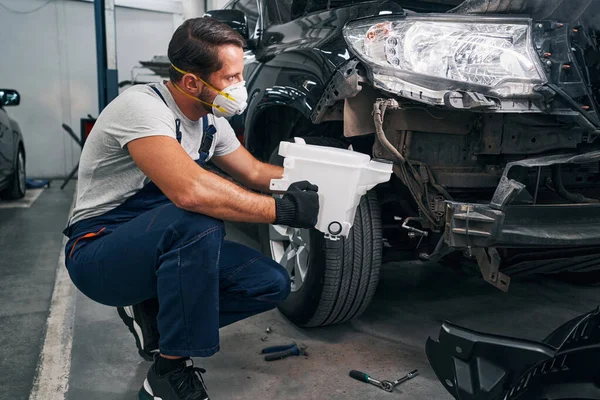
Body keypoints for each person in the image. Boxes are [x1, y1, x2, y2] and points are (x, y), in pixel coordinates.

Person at [62, 17, 319, 400]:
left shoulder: (211, 121)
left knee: (270, 283)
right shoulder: (143, 109)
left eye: (240, 75)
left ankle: (153, 315)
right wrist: (283, 211)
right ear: (191, 82)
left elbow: (255, 172)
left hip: (158, 242)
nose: (240, 86)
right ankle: (167, 373)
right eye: (230, 78)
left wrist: (324, 179)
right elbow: (190, 191)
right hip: (100, 250)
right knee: (197, 219)